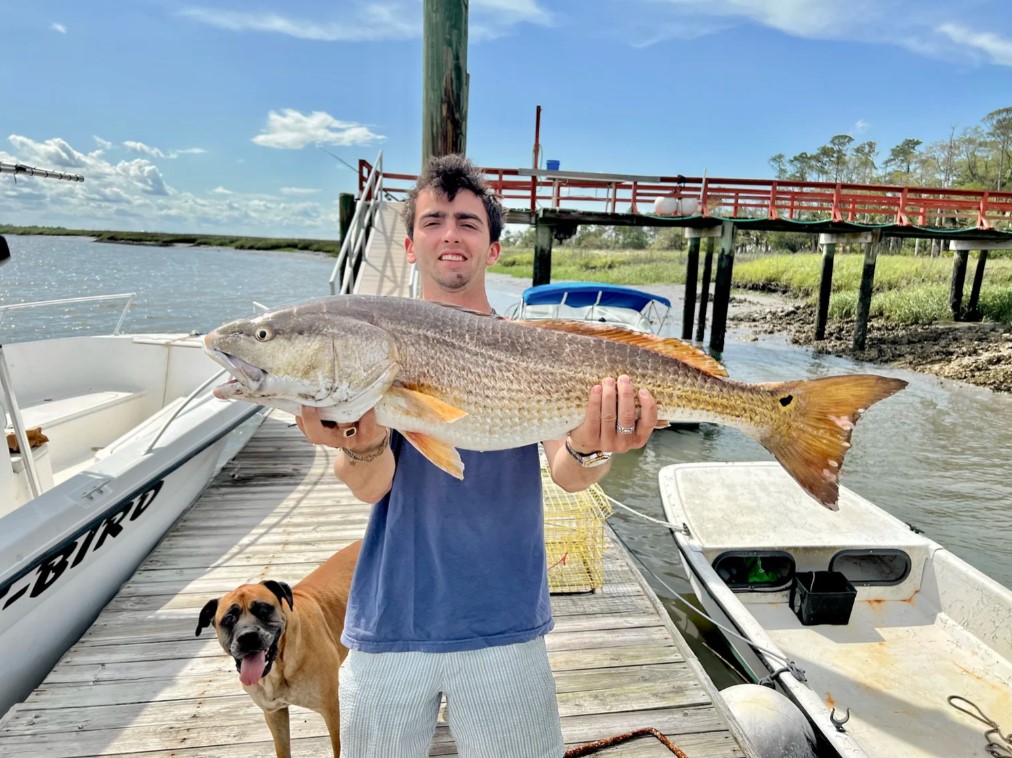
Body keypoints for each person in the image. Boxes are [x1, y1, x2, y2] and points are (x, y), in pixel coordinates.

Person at [296, 154, 658, 758]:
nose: (450, 234)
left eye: (468, 222)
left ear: (493, 248)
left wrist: (595, 441)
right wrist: (358, 439)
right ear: (410, 245)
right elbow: (370, 487)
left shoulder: (533, 345)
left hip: (504, 617)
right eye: (433, 221)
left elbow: (569, 474)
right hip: (391, 616)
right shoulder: (370, 344)